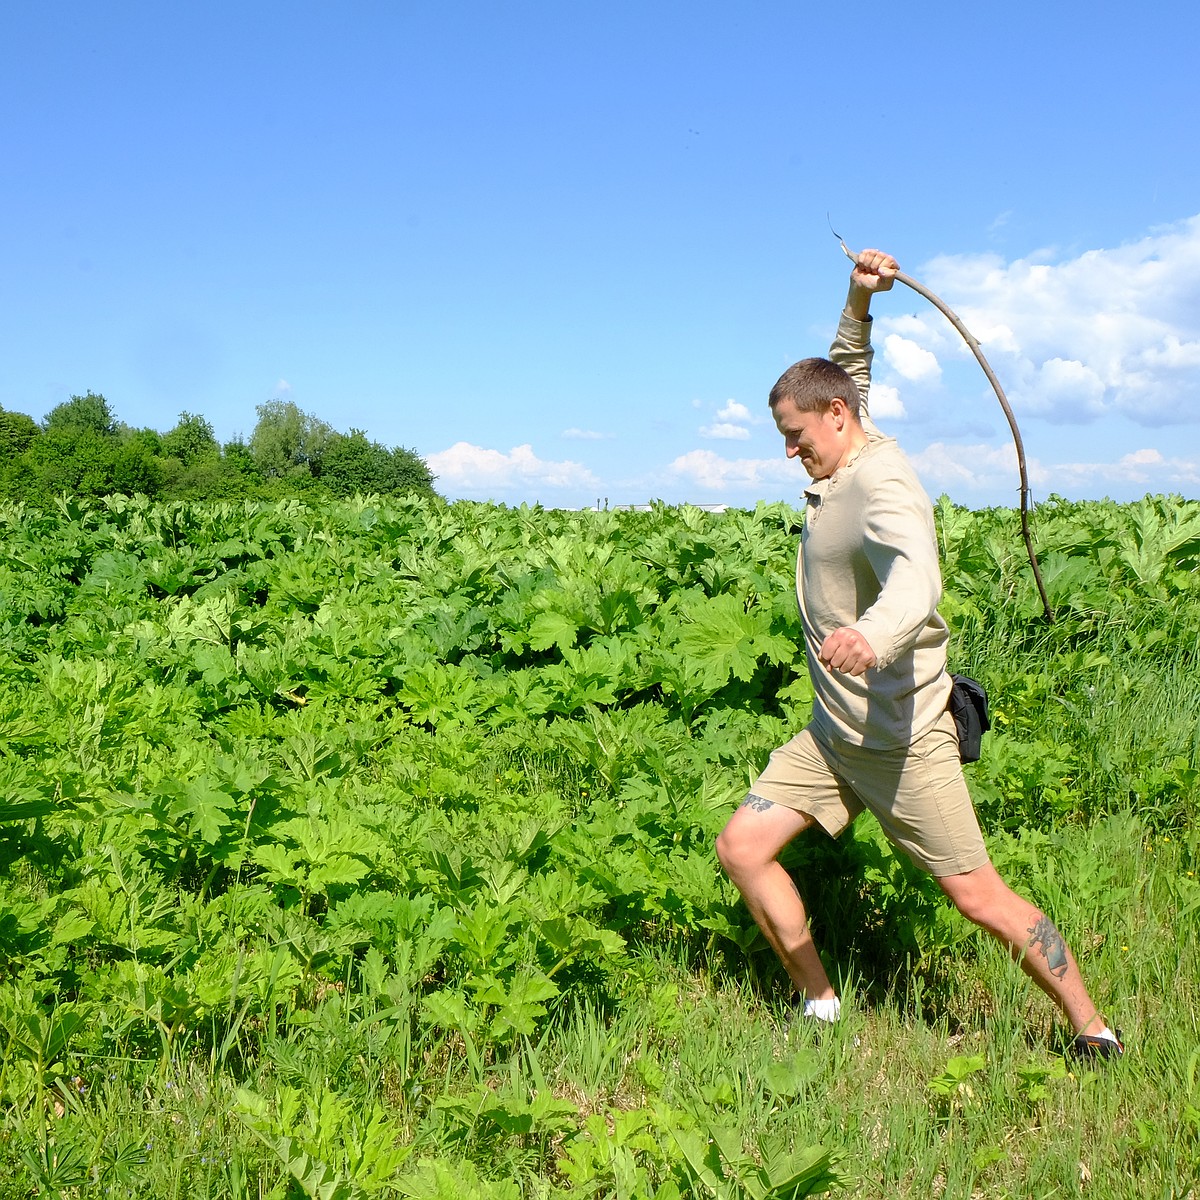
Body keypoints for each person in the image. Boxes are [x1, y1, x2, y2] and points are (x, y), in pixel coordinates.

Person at [714, 249, 1122, 1058]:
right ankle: (821, 1005)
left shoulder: (883, 482)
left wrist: (876, 632)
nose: (790, 453)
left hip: (902, 740)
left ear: (836, 417)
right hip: (834, 737)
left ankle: (1093, 1028)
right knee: (742, 847)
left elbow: (917, 577)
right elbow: (845, 367)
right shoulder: (844, 432)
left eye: (796, 438)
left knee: (979, 899)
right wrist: (859, 301)